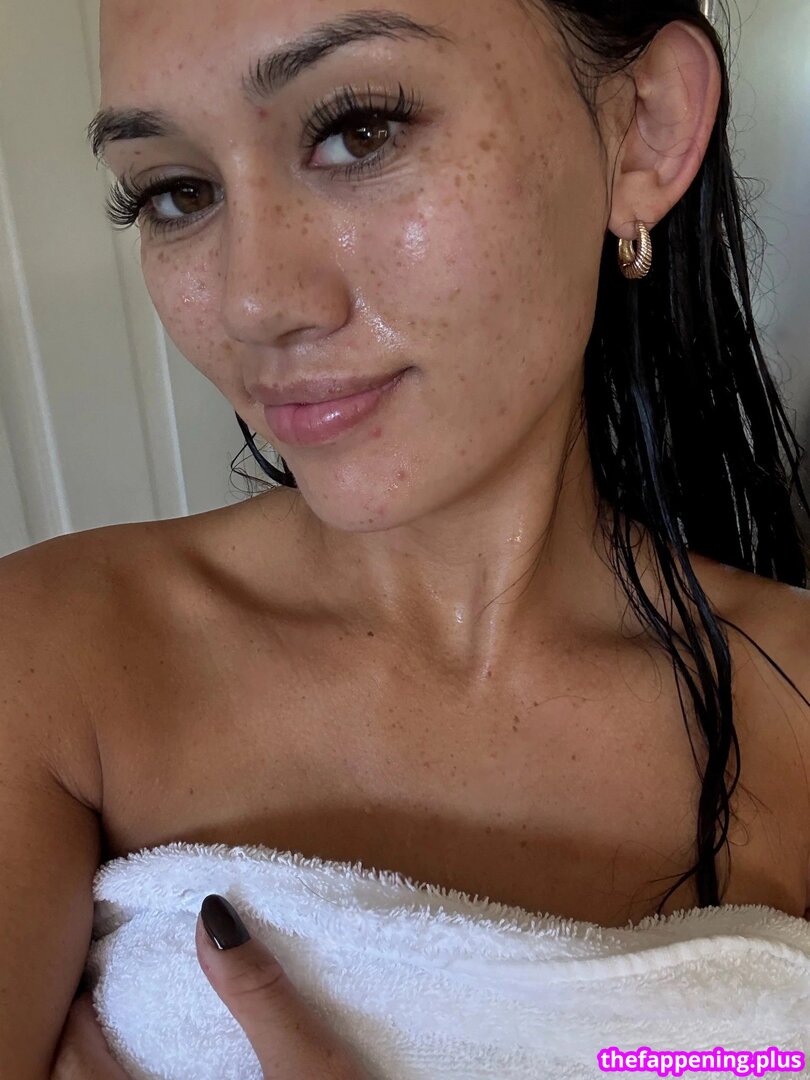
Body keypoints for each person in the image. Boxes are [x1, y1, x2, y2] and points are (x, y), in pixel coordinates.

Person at [3, 0, 810, 1076]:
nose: (254, 303)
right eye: (176, 192)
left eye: (359, 130)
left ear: (645, 127)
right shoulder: (46, 663)